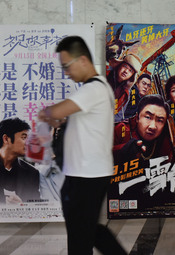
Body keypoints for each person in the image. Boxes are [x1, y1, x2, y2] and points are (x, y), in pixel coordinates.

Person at [38, 36, 126, 255]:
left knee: (81, 236)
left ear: (84, 60)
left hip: (86, 176)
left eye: (67, 66)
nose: (66, 72)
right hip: (86, 174)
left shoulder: (92, 90)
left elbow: (55, 112)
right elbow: (76, 120)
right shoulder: (98, 88)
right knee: (88, 231)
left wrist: (45, 113)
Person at [113, 94, 175, 165]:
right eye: (148, 117)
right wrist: (122, 150)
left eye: (160, 120)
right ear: (137, 118)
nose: (153, 126)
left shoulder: (171, 137)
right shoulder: (121, 130)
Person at [0, 118, 40, 204]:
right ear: (6, 139)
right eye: (24, 137)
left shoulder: (32, 173)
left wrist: (22, 207)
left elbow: (35, 206)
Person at [107, 53, 142, 122]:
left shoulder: (125, 94)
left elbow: (118, 116)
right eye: (125, 66)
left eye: (130, 71)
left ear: (132, 76)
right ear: (120, 65)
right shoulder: (105, 72)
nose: (126, 71)